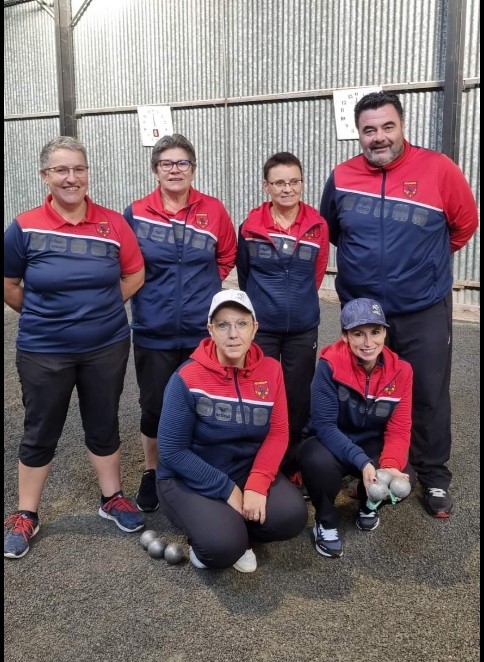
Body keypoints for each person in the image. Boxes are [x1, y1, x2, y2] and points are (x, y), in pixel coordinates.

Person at [320, 91, 478, 518]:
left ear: (402, 125)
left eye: (387, 126)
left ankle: (434, 475)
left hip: (423, 306)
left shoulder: (439, 169)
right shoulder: (341, 176)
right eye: (369, 130)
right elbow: (334, 231)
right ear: (358, 134)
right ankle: (376, 468)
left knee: (427, 390)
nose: (379, 137)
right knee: (364, 393)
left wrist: (421, 266)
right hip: (363, 312)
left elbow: (464, 225)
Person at [4, 136, 146, 559]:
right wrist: (45, 315)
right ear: (45, 176)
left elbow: (134, 274)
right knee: (40, 429)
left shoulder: (112, 224)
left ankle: (112, 498)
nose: (71, 178)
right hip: (43, 349)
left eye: (79, 169)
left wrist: (101, 308)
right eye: (61, 170)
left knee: (103, 421)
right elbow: (10, 285)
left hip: (106, 345)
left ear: (87, 173)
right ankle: (26, 514)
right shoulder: (24, 226)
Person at [123, 134, 237, 513]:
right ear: (155, 170)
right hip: (153, 330)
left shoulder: (214, 210)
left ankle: (199, 467)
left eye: (182, 163)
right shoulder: (136, 213)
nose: (175, 170)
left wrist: (204, 289)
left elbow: (227, 255)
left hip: (199, 333)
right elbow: (126, 265)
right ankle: (154, 471)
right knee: (154, 405)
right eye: (167, 163)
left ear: (193, 168)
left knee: (204, 402)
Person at [156, 289, 308, 572]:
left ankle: (232, 528)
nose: (233, 333)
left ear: (255, 328)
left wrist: (256, 484)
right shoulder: (187, 377)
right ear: (210, 330)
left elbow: (278, 434)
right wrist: (227, 490)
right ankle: (222, 535)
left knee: (292, 516)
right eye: (223, 325)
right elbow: (172, 451)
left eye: (241, 323)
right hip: (188, 476)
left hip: (243, 469)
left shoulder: (272, 370)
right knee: (222, 548)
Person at [236, 152, 329, 481]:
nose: (287, 189)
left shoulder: (318, 226)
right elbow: (245, 277)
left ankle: (290, 464)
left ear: (302, 183)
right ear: (266, 186)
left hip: (303, 329)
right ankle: (255, 461)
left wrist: (298, 303)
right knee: (258, 391)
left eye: (294, 181)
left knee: (296, 397)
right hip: (262, 329)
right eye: (279, 182)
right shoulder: (250, 227)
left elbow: (315, 277)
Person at [298, 298, 415, 558]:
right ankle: (325, 522)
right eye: (358, 334)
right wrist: (362, 463)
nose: (368, 342)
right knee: (316, 460)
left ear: (385, 332)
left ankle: (368, 501)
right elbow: (324, 425)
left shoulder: (402, 371)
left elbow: (399, 427)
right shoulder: (329, 366)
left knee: (403, 478)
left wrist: (391, 464)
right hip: (331, 441)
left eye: (375, 332)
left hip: (370, 442)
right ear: (344, 336)